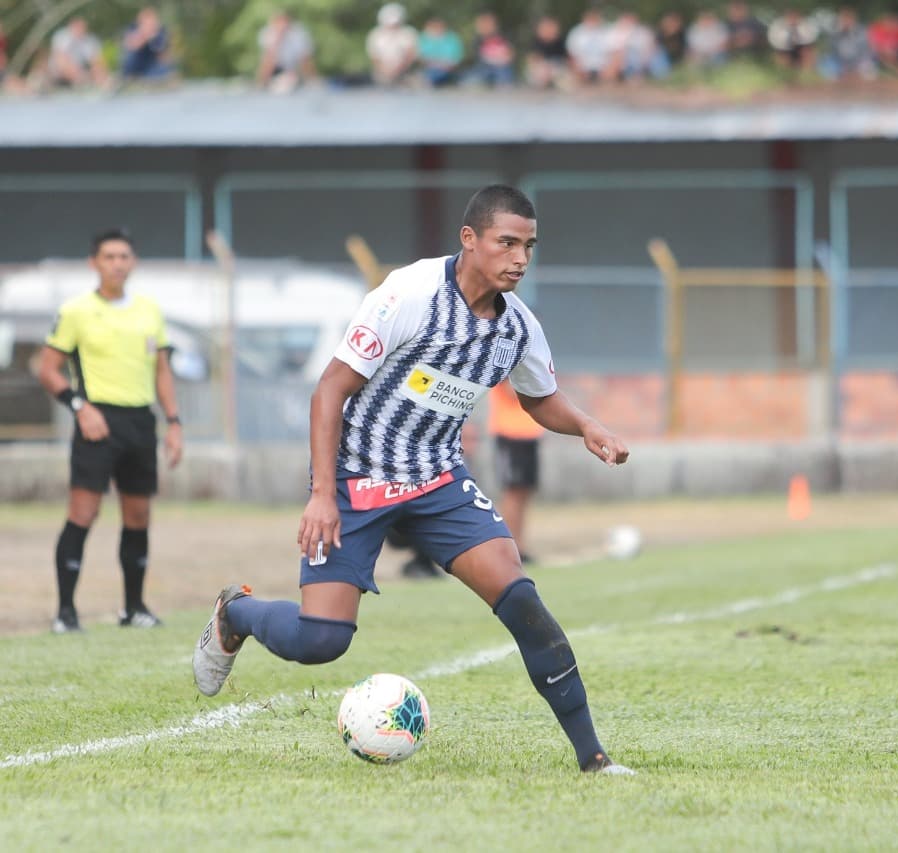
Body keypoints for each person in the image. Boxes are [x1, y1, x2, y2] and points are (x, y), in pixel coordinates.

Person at [192, 186, 634, 775]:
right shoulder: (410, 294)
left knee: (523, 601)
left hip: (437, 479)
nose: (520, 258)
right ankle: (236, 614)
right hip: (356, 478)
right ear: (469, 239)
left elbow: (540, 398)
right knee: (321, 642)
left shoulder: (518, 328)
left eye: (529, 245)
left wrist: (586, 426)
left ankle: (594, 760)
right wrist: (323, 494)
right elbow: (330, 390)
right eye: (507, 243)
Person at [37, 228, 184, 633]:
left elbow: (162, 371)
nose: (117, 263)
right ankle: (66, 612)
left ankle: (133, 608)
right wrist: (79, 408)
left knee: (138, 515)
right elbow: (47, 369)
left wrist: (173, 422)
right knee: (83, 513)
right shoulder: (77, 311)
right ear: (94, 263)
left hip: (140, 422)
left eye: (123, 256)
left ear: (132, 262)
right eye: (109, 256)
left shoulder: (149, 311)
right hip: (97, 420)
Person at [488, 379, 545, 563]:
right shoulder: (507, 357)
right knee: (512, 492)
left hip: (529, 433)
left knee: (524, 493)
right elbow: (514, 393)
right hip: (509, 433)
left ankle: (519, 547)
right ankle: (507, 549)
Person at [256, 10, 316, 92]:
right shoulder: (267, 33)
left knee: (296, 75)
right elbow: (268, 59)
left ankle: (309, 82)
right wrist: (278, 39)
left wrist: (311, 80)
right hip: (275, 69)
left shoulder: (298, 34)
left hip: (293, 69)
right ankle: (262, 84)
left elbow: (304, 59)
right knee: (267, 59)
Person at [47, 17, 110, 90]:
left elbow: (97, 60)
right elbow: (62, 62)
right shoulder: (62, 37)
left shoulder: (89, 40)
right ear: (71, 27)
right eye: (78, 28)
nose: (80, 30)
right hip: (57, 75)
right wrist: (81, 77)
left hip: (81, 74)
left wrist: (102, 75)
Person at [366, 3, 419, 86]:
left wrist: (398, 69)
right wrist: (385, 70)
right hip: (382, 73)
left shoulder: (408, 33)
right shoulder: (375, 35)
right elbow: (374, 57)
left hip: (405, 72)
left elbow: (411, 54)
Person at [121, 7, 174, 82]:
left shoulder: (161, 32)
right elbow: (131, 47)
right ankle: (131, 77)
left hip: (151, 66)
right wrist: (144, 35)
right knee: (129, 61)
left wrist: (155, 39)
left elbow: (164, 57)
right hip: (135, 64)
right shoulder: (132, 28)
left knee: (164, 70)